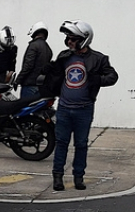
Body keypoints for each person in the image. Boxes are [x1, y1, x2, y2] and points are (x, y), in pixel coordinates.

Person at [41, 20, 118, 192]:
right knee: (61, 143)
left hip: (84, 109)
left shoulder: (98, 59)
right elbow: (55, 75)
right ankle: (58, 177)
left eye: (73, 39)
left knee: (81, 144)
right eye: (67, 38)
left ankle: (78, 177)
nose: (69, 42)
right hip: (64, 108)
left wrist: (99, 79)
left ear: (84, 39)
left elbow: (113, 76)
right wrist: (49, 71)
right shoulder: (64, 56)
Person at [17, 21, 52, 99]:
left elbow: (28, 66)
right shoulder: (48, 49)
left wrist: (18, 80)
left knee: (24, 110)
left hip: (29, 85)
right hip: (40, 86)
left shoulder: (33, 46)